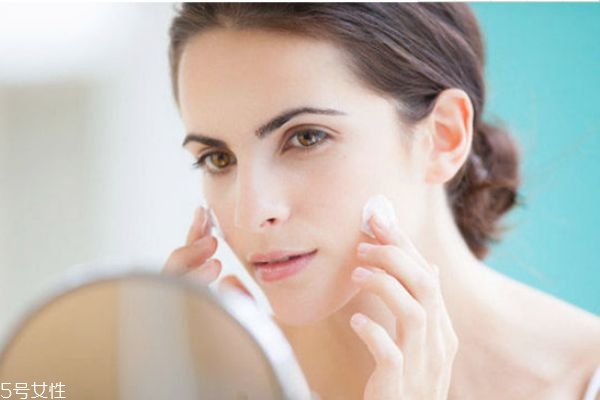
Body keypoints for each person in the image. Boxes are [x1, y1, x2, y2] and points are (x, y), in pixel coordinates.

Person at [161, 4, 600, 399]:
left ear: (443, 137)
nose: (252, 213)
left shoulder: (584, 379)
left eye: (306, 138)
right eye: (218, 158)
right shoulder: (201, 384)